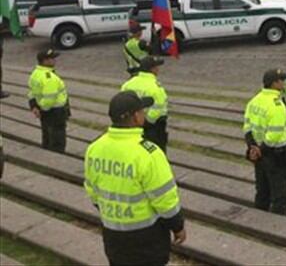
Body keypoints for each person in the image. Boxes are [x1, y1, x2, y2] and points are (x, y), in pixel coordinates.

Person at [84, 91, 186, 266]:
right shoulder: (149, 153)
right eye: (142, 110)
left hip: (112, 235)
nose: (144, 114)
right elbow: (165, 200)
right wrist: (177, 226)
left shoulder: (94, 148)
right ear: (136, 117)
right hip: (147, 238)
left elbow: (93, 191)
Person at [244, 69, 286, 214]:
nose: (284, 82)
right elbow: (275, 134)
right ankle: (275, 225)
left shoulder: (254, 100)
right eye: (281, 80)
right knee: (279, 194)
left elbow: (247, 126)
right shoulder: (277, 106)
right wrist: (261, 149)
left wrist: (253, 148)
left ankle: (259, 217)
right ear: (274, 83)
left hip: (258, 154)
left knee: (262, 190)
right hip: (275, 155)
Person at [121, 56, 170, 152]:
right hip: (152, 130)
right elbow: (159, 110)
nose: (158, 69)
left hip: (130, 126)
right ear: (153, 69)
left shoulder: (128, 84)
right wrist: (146, 123)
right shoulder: (156, 87)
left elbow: (122, 103)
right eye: (157, 67)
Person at [28, 49, 69, 153]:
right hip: (55, 112)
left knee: (46, 135)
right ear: (45, 61)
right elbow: (50, 98)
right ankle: (56, 158)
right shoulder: (49, 77)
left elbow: (32, 92)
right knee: (58, 139)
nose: (55, 60)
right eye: (52, 58)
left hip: (44, 111)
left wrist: (34, 106)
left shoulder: (35, 73)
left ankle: (46, 152)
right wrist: (43, 108)